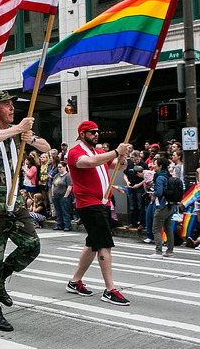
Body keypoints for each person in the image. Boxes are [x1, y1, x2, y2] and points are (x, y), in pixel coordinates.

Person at [0, 91, 48, 332]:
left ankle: (3, 274)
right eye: (6, 105)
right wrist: (17, 130)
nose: (11, 108)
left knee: (31, 245)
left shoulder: (18, 132)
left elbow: (46, 147)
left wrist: (30, 136)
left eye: (12, 105)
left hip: (14, 204)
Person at [65, 121, 131, 306]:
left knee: (93, 243)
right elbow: (90, 163)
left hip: (102, 203)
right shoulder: (75, 152)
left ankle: (75, 281)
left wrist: (123, 157)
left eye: (97, 132)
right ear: (82, 134)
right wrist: (117, 151)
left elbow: (119, 166)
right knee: (103, 244)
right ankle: (110, 290)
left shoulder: (100, 152)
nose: (96, 135)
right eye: (92, 132)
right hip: (89, 204)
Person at [147, 156, 175, 259]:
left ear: (160, 166)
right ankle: (170, 250)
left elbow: (159, 192)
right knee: (168, 229)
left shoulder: (159, 177)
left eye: (155, 164)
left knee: (156, 229)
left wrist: (152, 192)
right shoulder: (168, 175)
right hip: (170, 205)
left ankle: (158, 251)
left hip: (162, 206)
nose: (153, 166)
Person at [124, 151, 148, 229]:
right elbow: (125, 174)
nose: (136, 161)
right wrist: (127, 182)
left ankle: (142, 223)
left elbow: (147, 177)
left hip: (139, 187)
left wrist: (139, 184)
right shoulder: (130, 164)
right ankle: (132, 222)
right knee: (132, 206)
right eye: (134, 159)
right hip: (131, 187)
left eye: (137, 159)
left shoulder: (143, 165)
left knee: (140, 205)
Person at [50, 161, 73, 231]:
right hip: (56, 196)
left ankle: (67, 225)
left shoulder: (67, 176)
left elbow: (70, 186)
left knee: (65, 211)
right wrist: (53, 194)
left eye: (60, 167)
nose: (59, 169)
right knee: (58, 212)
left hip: (63, 196)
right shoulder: (57, 175)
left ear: (64, 167)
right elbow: (53, 185)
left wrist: (66, 196)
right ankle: (59, 225)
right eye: (58, 167)